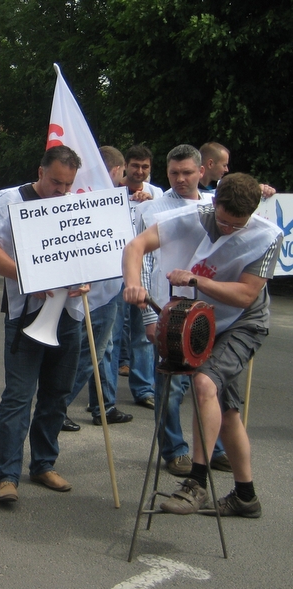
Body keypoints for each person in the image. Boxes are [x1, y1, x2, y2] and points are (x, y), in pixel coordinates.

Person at [123, 172, 282, 517]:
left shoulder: (266, 237)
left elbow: (245, 295)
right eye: (223, 221)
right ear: (214, 204)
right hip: (200, 319)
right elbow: (136, 247)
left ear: (252, 214)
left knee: (204, 382)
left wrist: (197, 279)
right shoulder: (192, 218)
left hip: (243, 322)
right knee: (227, 411)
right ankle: (245, 496)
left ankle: (196, 483)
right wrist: (133, 283)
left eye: (236, 225)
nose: (228, 229)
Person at [0, 145, 89, 502]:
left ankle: (43, 464)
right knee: (18, 396)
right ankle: (6, 475)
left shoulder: (74, 202)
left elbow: (88, 250)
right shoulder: (9, 201)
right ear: (40, 171)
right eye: (56, 182)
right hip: (27, 313)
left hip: (69, 315)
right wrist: (32, 278)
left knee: (57, 395)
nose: (61, 191)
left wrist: (88, 277)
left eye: (67, 185)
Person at [133, 144, 230, 477]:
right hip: (169, 307)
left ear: (202, 171)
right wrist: (148, 315)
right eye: (174, 173)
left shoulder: (218, 205)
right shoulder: (153, 210)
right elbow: (144, 260)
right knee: (172, 385)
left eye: (187, 172)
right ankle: (174, 449)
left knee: (211, 382)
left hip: (211, 307)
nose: (180, 179)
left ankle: (214, 447)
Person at [63, 146, 133, 432]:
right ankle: (57, 405)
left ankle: (103, 404)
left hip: (108, 287)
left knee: (104, 350)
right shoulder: (99, 200)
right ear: (116, 170)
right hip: (99, 289)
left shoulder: (111, 198)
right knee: (91, 351)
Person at [113, 144, 161, 409]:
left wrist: (151, 203)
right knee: (111, 337)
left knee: (144, 334)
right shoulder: (111, 193)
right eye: (135, 166)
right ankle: (105, 398)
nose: (140, 171)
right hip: (114, 275)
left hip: (146, 275)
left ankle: (144, 389)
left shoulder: (157, 194)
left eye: (145, 167)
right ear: (125, 167)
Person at [199, 142, 276, 199]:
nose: (227, 170)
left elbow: (245, 191)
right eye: (224, 165)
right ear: (210, 164)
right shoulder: (188, 189)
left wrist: (261, 189)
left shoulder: (226, 188)